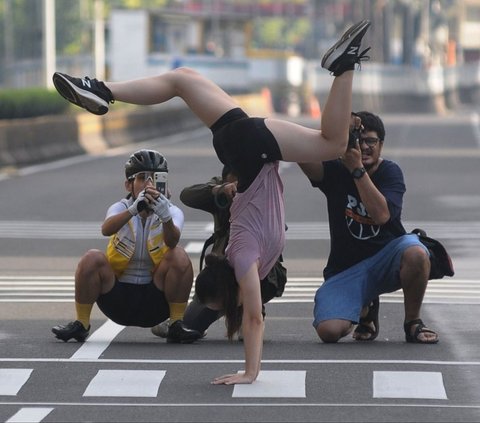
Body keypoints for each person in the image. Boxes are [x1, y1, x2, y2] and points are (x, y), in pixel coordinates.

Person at [52, 19, 371, 385]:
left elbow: (253, 317)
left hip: (252, 148)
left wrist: (251, 372)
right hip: (243, 145)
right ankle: (98, 89)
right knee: (182, 79)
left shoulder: (244, 254)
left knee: (331, 143)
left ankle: (343, 66)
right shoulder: (247, 252)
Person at [298, 111, 439, 345]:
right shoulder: (334, 169)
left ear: (381, 145)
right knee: (329, 332)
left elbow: (382, 215)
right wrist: (334, 133)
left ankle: (412, 322)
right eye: (357, 140)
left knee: (416, 252)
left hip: (386, 259)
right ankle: (365, 309)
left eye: (370, 141)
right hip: (346, 269)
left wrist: (357, 170)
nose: (364, 147)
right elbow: (302, 153)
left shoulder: (390, 172)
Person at [51, 149, 202, 344]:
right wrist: (133, 210)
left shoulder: (171, 211)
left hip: (154, 299)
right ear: (128, 185)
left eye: (155, 178)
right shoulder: (121, 207)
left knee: (179, 255)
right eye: (142, 178)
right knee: (92, 257)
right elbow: (106, 229)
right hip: (118, 297)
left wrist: (165, 217)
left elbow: (172, 241)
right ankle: (81, 324)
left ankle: (175, 324)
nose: (149, 184)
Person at [150, 165, 287, 339]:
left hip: (261, 272)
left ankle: (252, 310)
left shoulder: (264, 192)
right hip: (221, 278)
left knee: (249, 330)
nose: (237, 191)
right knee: (186, 327)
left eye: (241, 185)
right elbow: (187, 195)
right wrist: (219, 191)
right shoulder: (222, 193)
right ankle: (226, 311)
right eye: (233, 186)